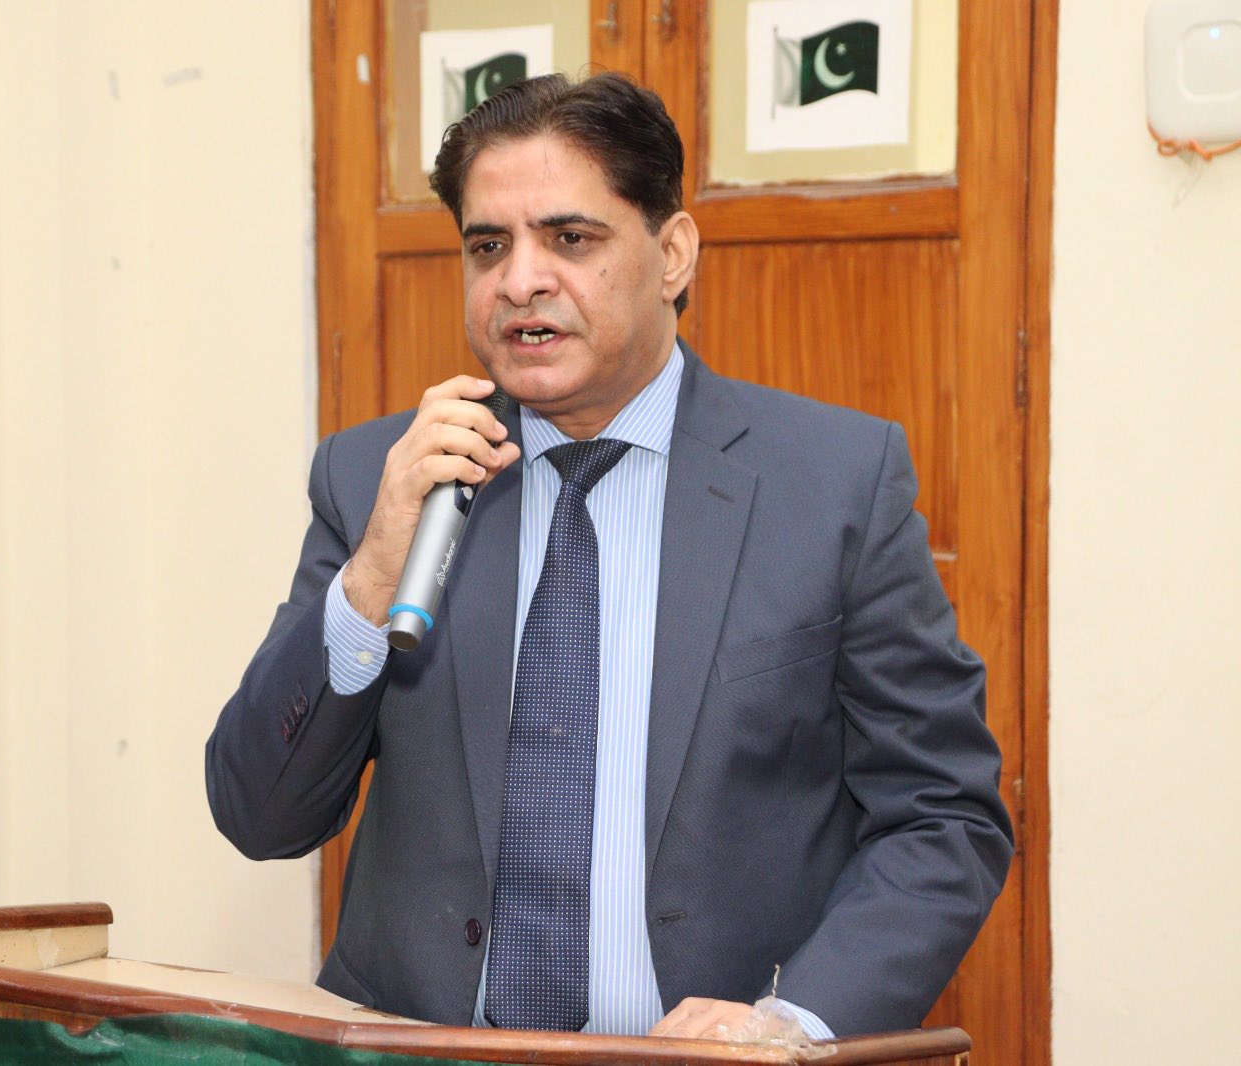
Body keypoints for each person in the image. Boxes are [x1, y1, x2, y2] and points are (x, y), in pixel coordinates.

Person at [206, 71, 1011, 1041]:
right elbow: (262, 816)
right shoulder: (382, 480)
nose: (520, 281)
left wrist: (791, 1022)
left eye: (570, 239)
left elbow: (942, 815)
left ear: (671, 254)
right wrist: (370, 578)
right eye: (488, 246)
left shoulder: (832, 482)